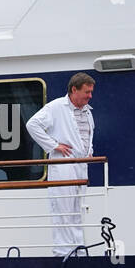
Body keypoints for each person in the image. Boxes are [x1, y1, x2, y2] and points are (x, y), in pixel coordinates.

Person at [25, 72, 95, 256]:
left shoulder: (88, 112)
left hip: (81, 165)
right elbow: (32, 125)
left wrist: (89, 151)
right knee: (63, 209)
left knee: (77, 210)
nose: (90, 96)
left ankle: (78, 251)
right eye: (87, 92)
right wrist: (54, 146)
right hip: (63, 164)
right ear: (74, 89)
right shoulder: (56, 107)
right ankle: (63, 253)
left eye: (90, 92)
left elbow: (87, 136)